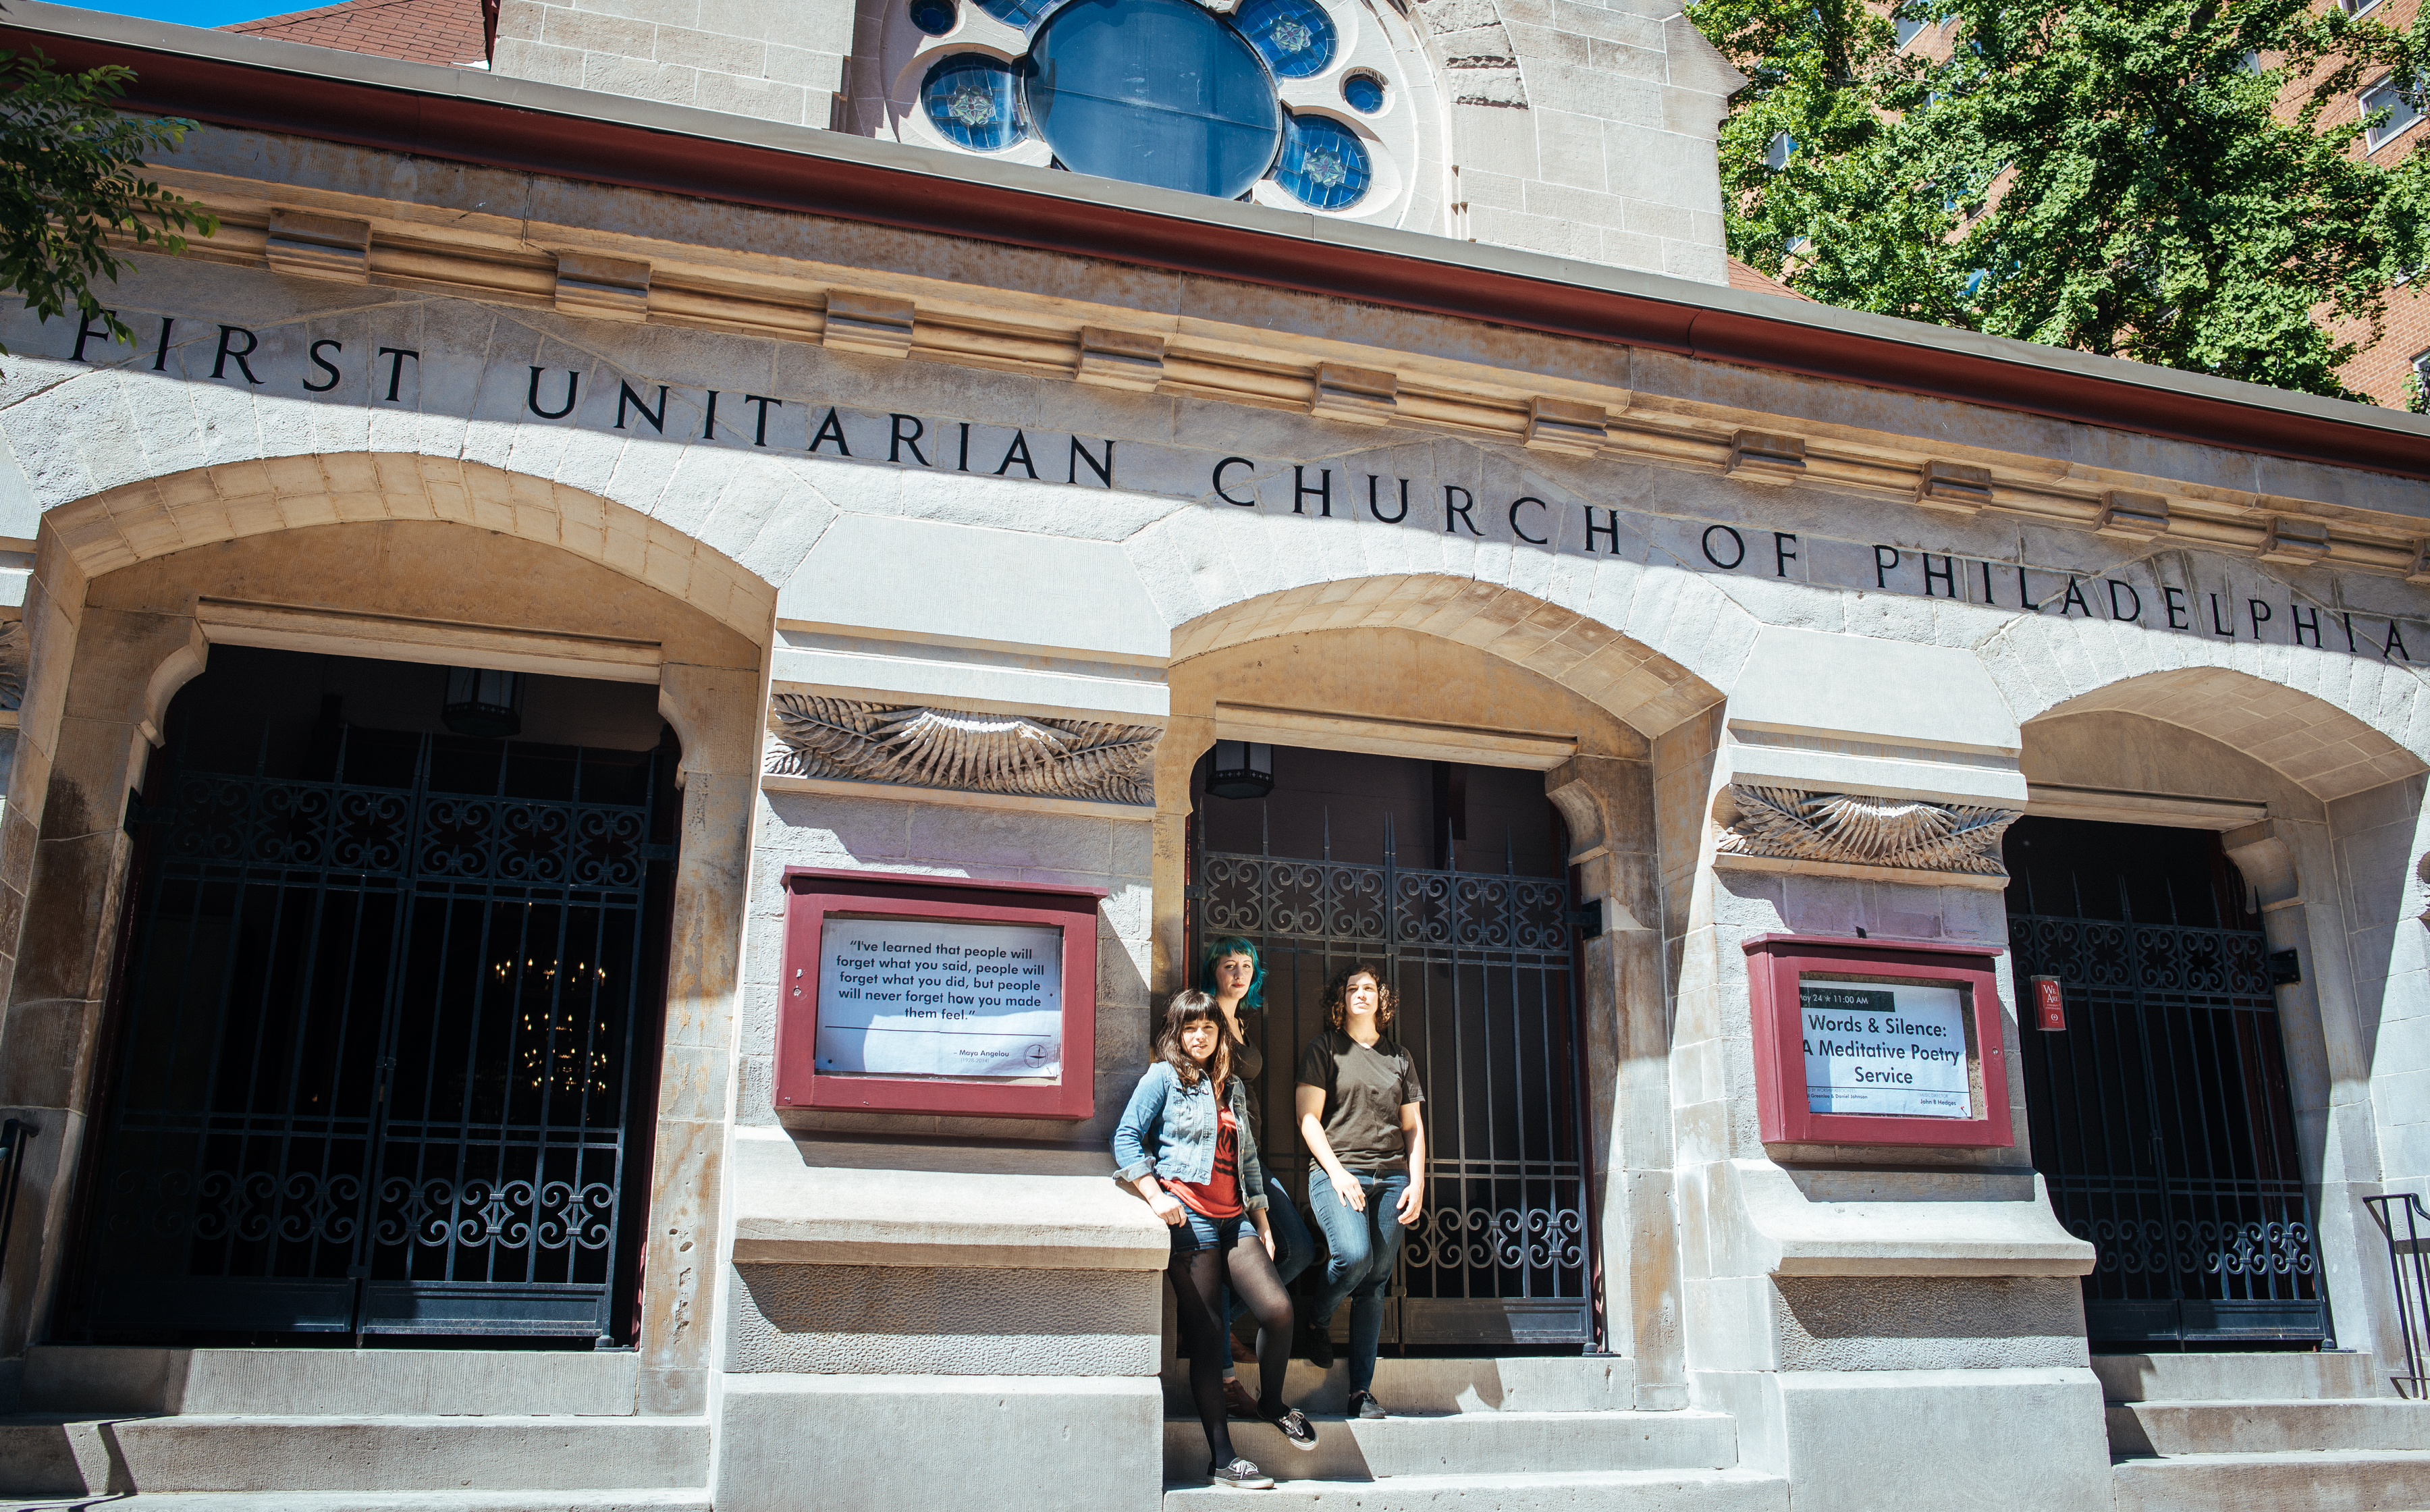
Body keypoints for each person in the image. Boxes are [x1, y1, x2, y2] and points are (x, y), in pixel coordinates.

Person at [1114, 991, 1319, 1490]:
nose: (1200, 1036)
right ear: (1177, 1034)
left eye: (1208, 1028)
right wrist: (1154, 1195)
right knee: (1208, 1336)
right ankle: (1223, 1459)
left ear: (1219, 1033)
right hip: (1190, 1219)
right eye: (1190, 1028)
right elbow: (1126, 1136)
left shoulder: (1233, 1087)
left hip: (1234, 1219)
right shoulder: (1163, 1078)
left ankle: (1272, 1402)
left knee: (1278, 1311)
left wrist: (1262, 1220)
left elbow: (1248, 1161)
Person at [1296, 961, 1425, 1420]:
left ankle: (1360, 1392)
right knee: (1354, 1257)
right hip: (1338, 1172)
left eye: (1369, 988)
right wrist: (1337, 1173)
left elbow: (1412, 1126)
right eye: (1353, 989)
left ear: (1381, 999)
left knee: (1375, 1283)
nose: (1362, 995)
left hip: (1392, 1178)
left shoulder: (1399, 1058)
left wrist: (1417, 1182)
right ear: (1342, 999)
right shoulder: (1325, 1049)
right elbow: (1308, 1119)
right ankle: (1317, 1320)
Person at [1200, 936, 1319, 1419]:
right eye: (1229, 964)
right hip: (1219, 1159)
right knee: (1251, 1253)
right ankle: (1220, 1353)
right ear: (1214, 970)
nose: (1238, 973)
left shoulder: (1240, 1020)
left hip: (1250, 1156)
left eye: (1246, 966)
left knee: (1298, 1249)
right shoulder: (1205, 1016)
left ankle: (1221, 1324)